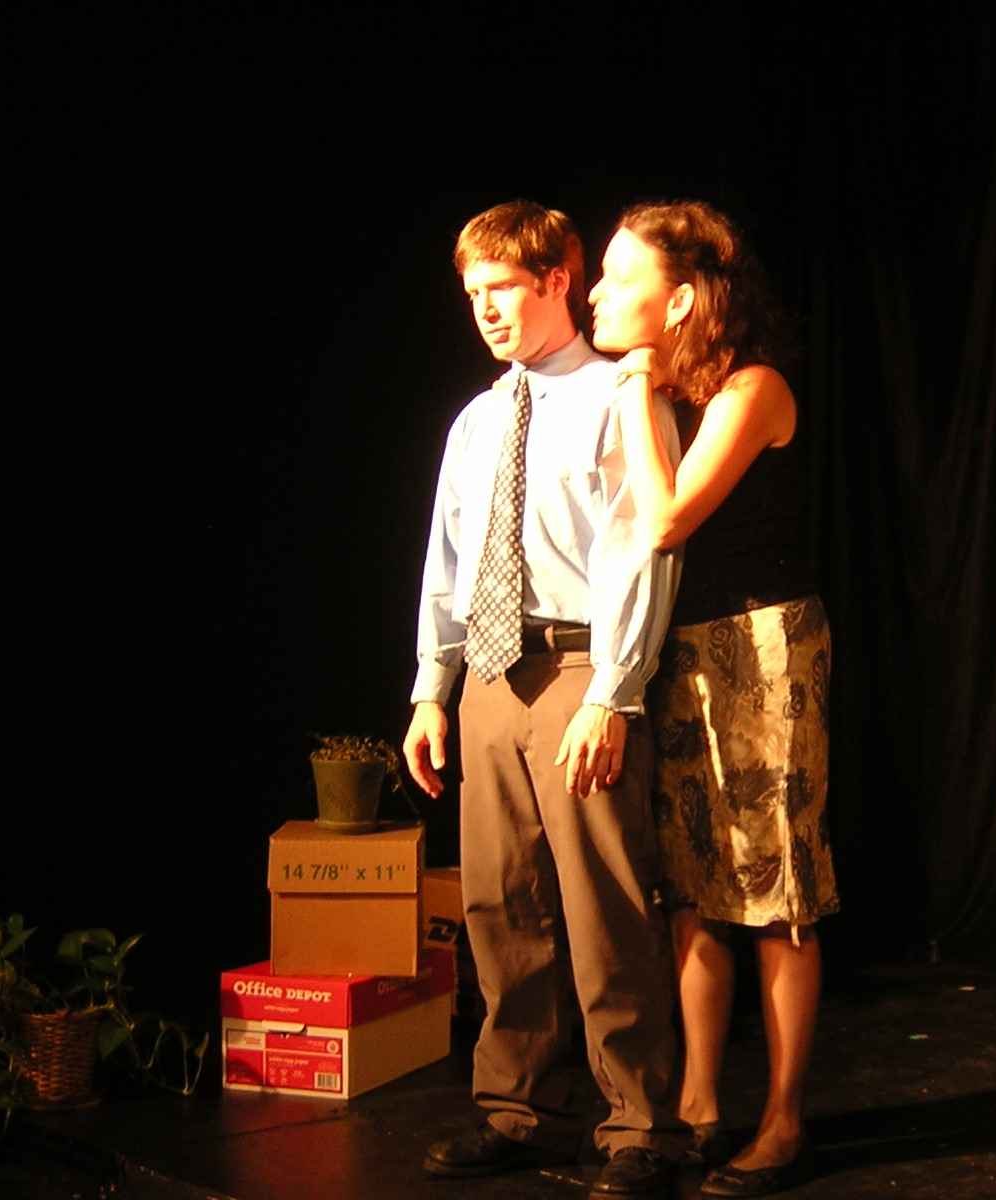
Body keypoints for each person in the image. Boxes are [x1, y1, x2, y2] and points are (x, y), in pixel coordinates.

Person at [403, 200, 687, 1197]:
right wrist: (432, 690)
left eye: (502, 289)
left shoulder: (620, 396)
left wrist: (613, 692)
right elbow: (446, 560)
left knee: (603, 900)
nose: (484, 310)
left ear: (557, 281)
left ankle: (640, 1123)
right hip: (490, 669)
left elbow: (642, 550)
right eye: (472, 293)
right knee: (498, 899)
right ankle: (520, 1108)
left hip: (578, 665)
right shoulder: (479, 419)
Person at [586, 201, 837, 1199]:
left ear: (683, 299)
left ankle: (782, 1122)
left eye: (620, 275)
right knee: (692, 891)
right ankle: (697, 1105)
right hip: (683, 653)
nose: (599, 293)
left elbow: (666, 518)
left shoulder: (752, 388)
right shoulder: (660, 393)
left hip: (765, 646)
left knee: (775, 893)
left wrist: (636, 388)